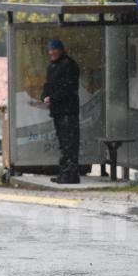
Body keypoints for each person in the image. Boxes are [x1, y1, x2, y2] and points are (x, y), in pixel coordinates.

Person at [41, 38, 80, 184]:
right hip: (58, 110)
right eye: (50, 50)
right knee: (64, 143)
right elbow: (48, 85)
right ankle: (65, 173)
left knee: (69, 143)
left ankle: (70, 175)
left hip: (68, 110)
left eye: (54, 50)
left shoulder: (69, 65)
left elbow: (68, 88)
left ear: (61, 50)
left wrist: (53, 98)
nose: (52, 52)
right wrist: (44, 96)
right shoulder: (53, 66)